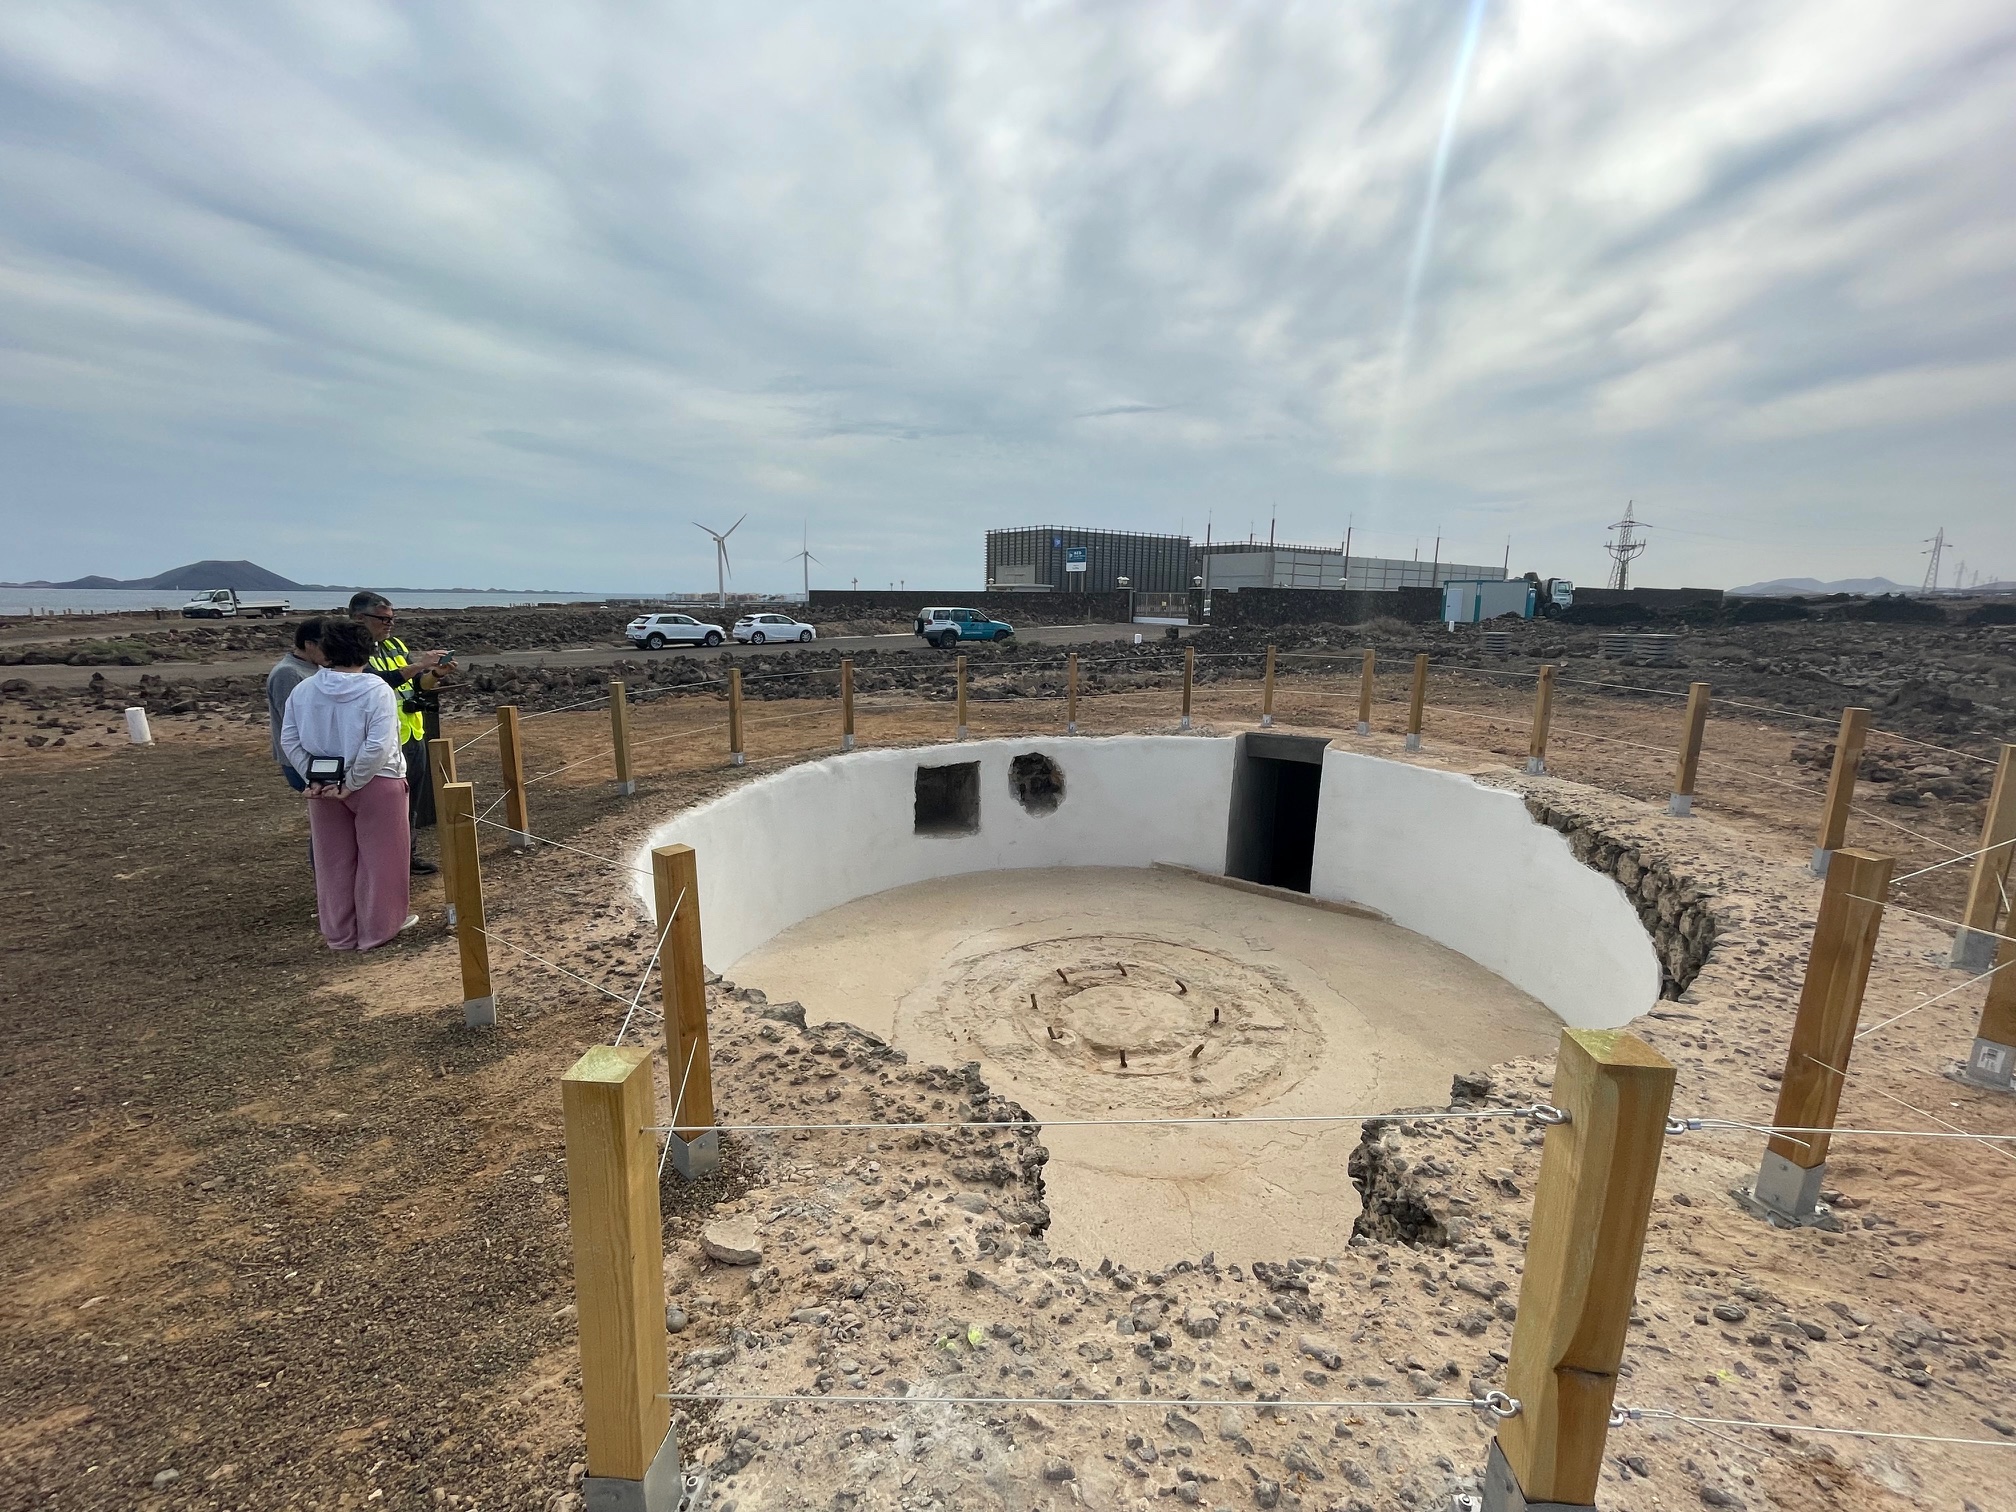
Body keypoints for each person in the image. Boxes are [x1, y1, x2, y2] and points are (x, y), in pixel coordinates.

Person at [281, 619, 416, 951]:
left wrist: (315, 776)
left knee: (333, 861)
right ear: (367, 653)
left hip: (323, 784)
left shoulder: (304, 689)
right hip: (377, 781)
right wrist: (353, 781)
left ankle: (340, 934)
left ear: (325, 651)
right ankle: (378, 930)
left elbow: (289, 739)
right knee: (382, 859)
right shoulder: (376, 689)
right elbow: (378, 744)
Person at [348, 591, 449, 875]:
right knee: (381, 809)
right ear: (359, 618)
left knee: (410, 804)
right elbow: (375, 682)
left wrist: (436, 674)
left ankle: (407, 856)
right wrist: (419, 664)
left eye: (392, 619)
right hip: (381, 742)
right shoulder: (351, 652)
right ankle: (379, 864)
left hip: (412, 735)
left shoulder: (394, 645)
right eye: (383, 619)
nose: (389, 624)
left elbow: (418, 685)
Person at [266, 618, 325, 794]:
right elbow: (293, 721)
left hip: (316, 756)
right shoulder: (288, 673)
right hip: (300, 759)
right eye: (328, 644)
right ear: (309, 644)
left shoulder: (316, 667)